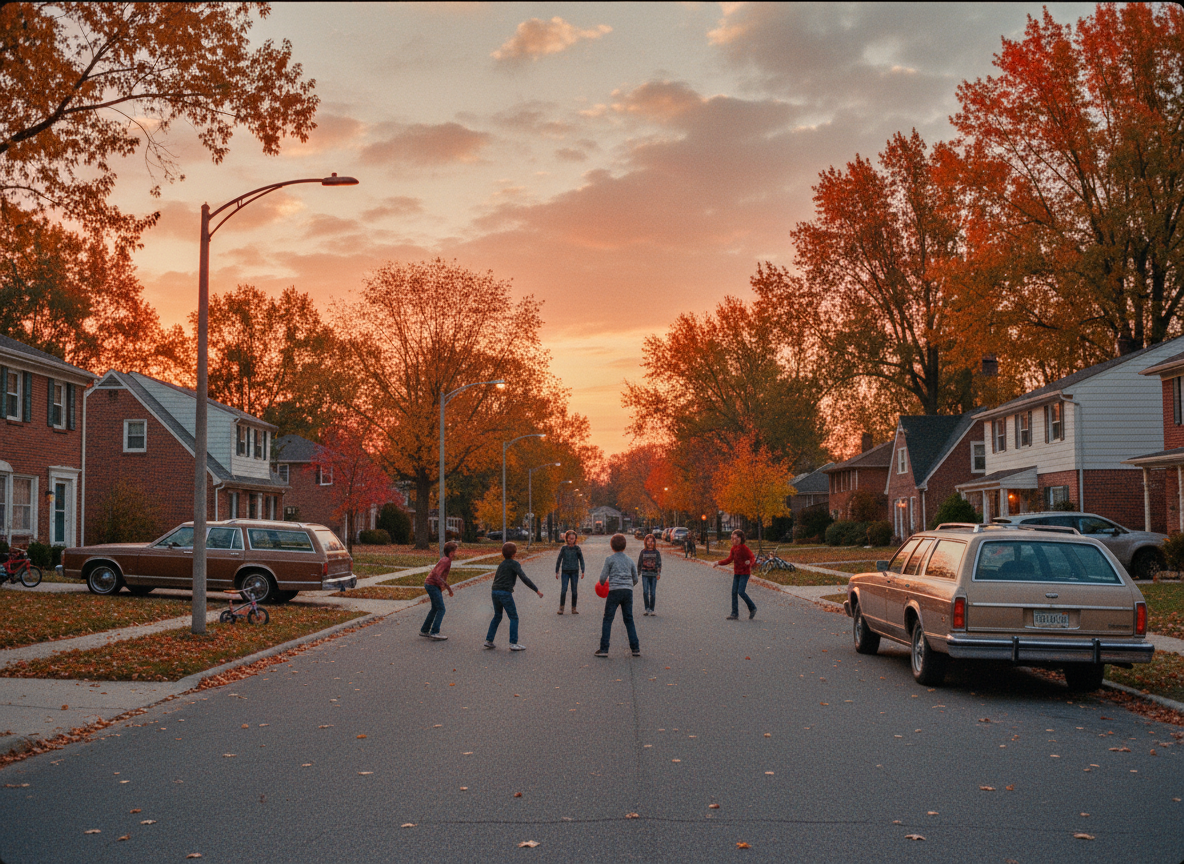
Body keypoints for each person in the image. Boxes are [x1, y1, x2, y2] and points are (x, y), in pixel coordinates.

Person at [484, 542, 542, 651]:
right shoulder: (514, 564)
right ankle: (513, 643)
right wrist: (536, 590)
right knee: (514, 617)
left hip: (495, 591)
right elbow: (524, 578)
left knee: (497, 616)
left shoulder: (501, 564)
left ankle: (489, 640)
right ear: (514, 554)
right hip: (505, 593)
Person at [594, 533, 640, 657]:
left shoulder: (610, 560)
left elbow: (603, 578)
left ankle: (604, 649)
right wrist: (628, 585)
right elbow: (635, 578)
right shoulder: (630, 560)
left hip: (614, 591)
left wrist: (602, 584)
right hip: (627, 592)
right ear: (625, 546)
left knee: (608, 619)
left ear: (611, 546)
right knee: (629, 619)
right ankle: (635, 648)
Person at [714, 528, 757, 620]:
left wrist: (750, 563)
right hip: (737, 573)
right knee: (734, 592)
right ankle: (734, 613)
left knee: (740, 591)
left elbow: (752, 558)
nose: (734, 540)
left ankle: (752, 608)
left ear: (741, 539)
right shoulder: (733, 549)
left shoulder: (744, 548)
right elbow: (729, 559)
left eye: (736, 538)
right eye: (732, 539)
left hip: (745, 573)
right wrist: (718, 563)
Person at [420, 540, 457, 640]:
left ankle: (424, 630)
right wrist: (440, 586)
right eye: (455, 552)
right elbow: (437, 574)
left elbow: (441, 577)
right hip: (432, 585)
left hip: (430, 584)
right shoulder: (446, 561)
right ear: (451, 553)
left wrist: (448, 589)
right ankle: (434, 632)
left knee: (435, 608)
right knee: (441, 608)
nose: (456, 554)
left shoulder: (445, 560)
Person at [554, 530, 585, 615]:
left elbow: (581, 559)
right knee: (564, 590)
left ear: (575, 539)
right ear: (567, 539)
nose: (571, 540)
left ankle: (573, 608)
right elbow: (559, 559)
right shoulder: (564, 548)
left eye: (573, 539)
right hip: (565, 572)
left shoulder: (577, 549)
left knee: (574, 591)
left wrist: (583, 570)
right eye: (570, 538)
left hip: (574, 572)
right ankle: (561, 608)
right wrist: (557, 571)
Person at [637, 533, 662, 616]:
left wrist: (658, 573)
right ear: (646, 542)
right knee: (645, 591)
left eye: (652, 541)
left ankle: (652, 609)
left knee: (653, 593)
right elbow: (639, 563)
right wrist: (637, 573)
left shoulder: (657, 553)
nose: (650, 543)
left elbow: (659, 563)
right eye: (648, 541)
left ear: (654, 543)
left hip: (653, 574)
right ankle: (646, 608)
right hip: (645, 574)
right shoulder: (643, 552)